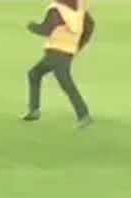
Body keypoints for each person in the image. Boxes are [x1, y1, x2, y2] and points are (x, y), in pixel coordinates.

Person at [23, 0, 94, 128]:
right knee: (34, 74)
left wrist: (32, 26)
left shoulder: (57, 9)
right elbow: (89, 25)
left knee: (66, 83)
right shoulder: (79, 8)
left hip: (56, 51)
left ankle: (83, 115)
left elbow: (46, 29)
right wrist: (79, 44)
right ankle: (34, 110)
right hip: (67, 51)